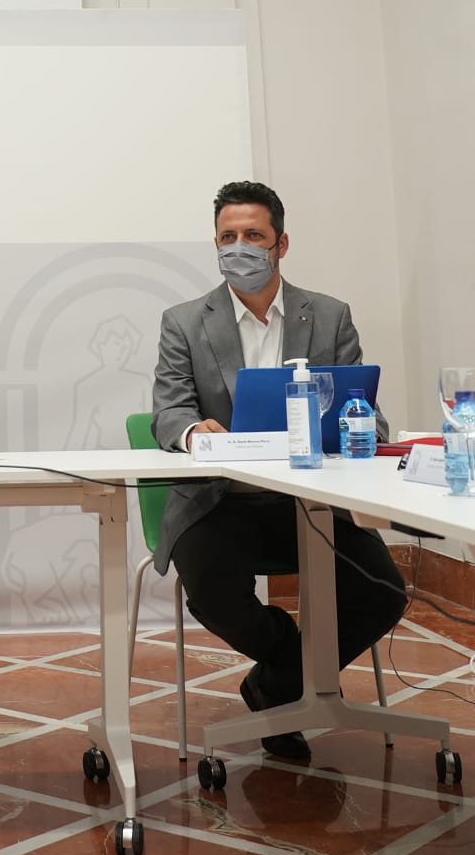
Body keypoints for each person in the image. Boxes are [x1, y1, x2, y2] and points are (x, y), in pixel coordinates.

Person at [148, 180, 406, 761]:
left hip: (309, 500)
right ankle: (296, 669)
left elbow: (366, 410)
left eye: (253, 236)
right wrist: (192, 432)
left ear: (281, 244)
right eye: (227, 238)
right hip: (221, 500)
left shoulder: (329, 316)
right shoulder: (184, 321)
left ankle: (275, 685)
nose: (239, 248)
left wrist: (361, 426)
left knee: (383, 591)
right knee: (213, 592)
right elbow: (169, 411)